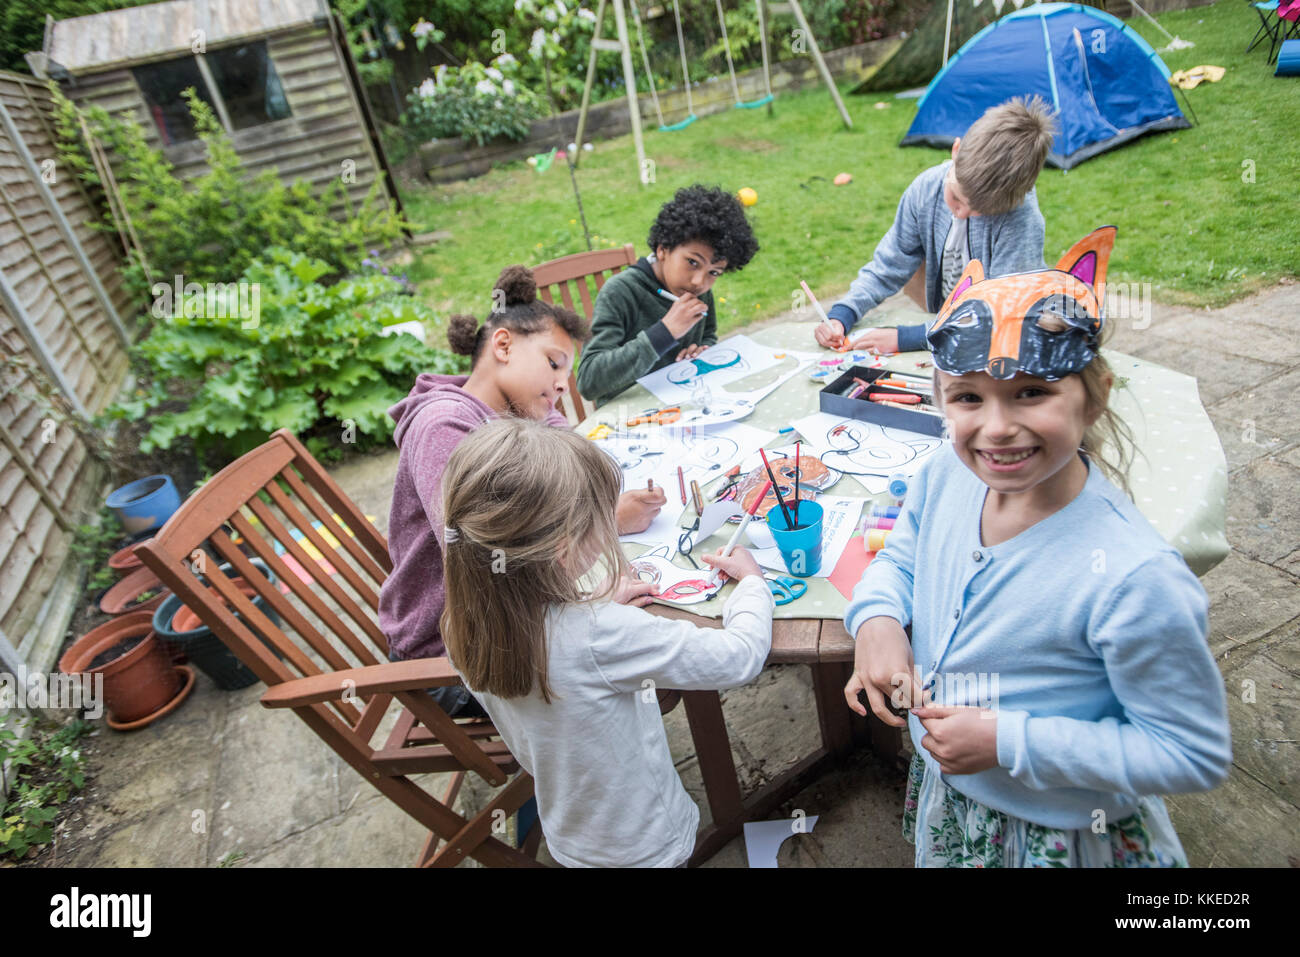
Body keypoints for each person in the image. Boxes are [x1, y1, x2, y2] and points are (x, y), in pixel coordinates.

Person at [842, 228, 1232, 867]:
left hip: (1058, 833)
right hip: (959, 803)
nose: (996, 428)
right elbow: (900, 556)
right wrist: (878, 619)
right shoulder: (946, 473)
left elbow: (1191, 752)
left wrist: (1009, 741)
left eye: (1031, 392)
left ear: (1095, 395)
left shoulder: (1135, 579)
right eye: (968, 397)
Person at [440, 417, 773, 867]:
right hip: (646, 842)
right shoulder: (601, 635)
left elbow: (558, 645)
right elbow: (739, 657)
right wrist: (752, 585)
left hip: (574, 837)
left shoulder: (466, 621)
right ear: (563, 549)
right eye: (603, 515)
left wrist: (589, 606)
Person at [379, 265, 666, 718]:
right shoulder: (445, 428)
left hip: (515, 616)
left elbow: (577, 469)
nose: (560, 383)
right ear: (504, 345)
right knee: (622, 673)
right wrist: (607, 526)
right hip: (453, 655)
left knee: (637, 635)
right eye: (553, 363)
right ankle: (562, 788)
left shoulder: (524, 411)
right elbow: (481, 558)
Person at [815, 97, 1055, 357]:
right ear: (956, 151)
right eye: (956, 198)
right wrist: (843, 313)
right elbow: (888, 266)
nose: (961, 214)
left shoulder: (1021, 220)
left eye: (978, 212)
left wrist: (907, 338)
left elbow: (1001, 315)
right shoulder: (925, 190)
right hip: (941, 333)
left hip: (992, 349)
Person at [576, 184, 759, 407]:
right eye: (692, 262)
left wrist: (702, 351)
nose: (699, 282)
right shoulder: (621, 292)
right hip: (626, 417)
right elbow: (589, 380)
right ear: (663, 249)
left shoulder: (698, 293)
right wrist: (665, 332)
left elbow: (708, 334)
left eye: (714, 272)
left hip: (679, 406)